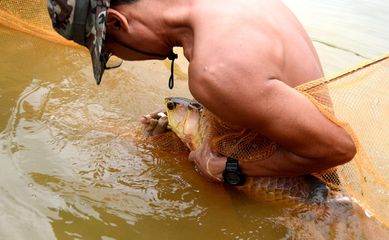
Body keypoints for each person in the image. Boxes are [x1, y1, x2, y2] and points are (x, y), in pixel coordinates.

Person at [48, 0, 356, 182]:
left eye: (110, 54)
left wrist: (228, 169)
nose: (124, 59)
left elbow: (337, 149)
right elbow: (258, 84)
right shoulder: (212, 14)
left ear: (116, 22)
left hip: (312, 197)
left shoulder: (214, 71)